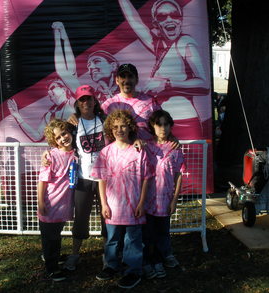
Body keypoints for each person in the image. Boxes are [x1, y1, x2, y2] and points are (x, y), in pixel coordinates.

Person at [119, 0, 209, 139]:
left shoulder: (185, 43)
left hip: (184, 122)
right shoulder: (159, 45)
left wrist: (166, 84)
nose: (169, 19)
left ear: (181, 19)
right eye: (162, 17)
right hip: (160, 124)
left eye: (174, 15)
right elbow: (134, 21)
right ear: (156, 24)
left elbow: (203, 84)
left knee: (184, 160)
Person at [91, 110, 151, 289]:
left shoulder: (138, 151)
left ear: (130, 127)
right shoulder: (105, 152)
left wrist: (141, 203)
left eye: (123, 126)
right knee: (112, 239)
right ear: (110, 129)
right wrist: (104, 204)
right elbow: (101, 179)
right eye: (115, 127)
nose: (119, 130)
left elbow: (147, 178)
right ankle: (111, 265)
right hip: (113, 206)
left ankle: (133, 270)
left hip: (133, 204)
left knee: (132, 239)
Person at [62, 84, 107, 271]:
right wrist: (47, 155)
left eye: (89, 98)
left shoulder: (105, 120)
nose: (86, 102)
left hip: (104, 178)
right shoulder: (72, 124)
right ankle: (75, 254)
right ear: (77, 104)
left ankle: (108, 254)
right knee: (80, 217)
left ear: (95, 101)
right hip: (83, 178)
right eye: (82, 99)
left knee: (107, 215)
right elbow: (59, 143)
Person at [142, 109, 184, 280]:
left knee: (162, 231)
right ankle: (146, 262)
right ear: (152, 126)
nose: (163, 128)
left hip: (165, 199)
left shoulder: (175, 148)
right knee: (147, 233)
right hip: (146, 199)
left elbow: (179, 174)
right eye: (159, 124)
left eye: (166, 124)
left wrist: (175, 199)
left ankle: (160, 259)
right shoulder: (145, 146)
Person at [37, 119, 77, 282]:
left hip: (64, 204)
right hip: (51, 204)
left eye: (64, 134)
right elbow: (42, 181)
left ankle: (51, 255)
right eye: (58, 138)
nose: (63, 139)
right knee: (50, 237)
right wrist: (41, 203)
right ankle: (52, 268)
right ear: (54, 141)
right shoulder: (51, 156)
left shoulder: (76, 153)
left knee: (56, 234)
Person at [52, 21, 119, 104]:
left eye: (97, 61)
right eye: (89, 65)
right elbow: (65, 72)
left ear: (113, 66)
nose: (91, 67)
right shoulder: (92, 97)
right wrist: (59, 39)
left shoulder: (126, 91)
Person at [7, 78, 76, 142]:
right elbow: (37, 136)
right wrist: (18, 118)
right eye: (48, 91)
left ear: (63, 89)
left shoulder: (77, 105)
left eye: (53, 88)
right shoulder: (49, 115)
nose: (50, 92)